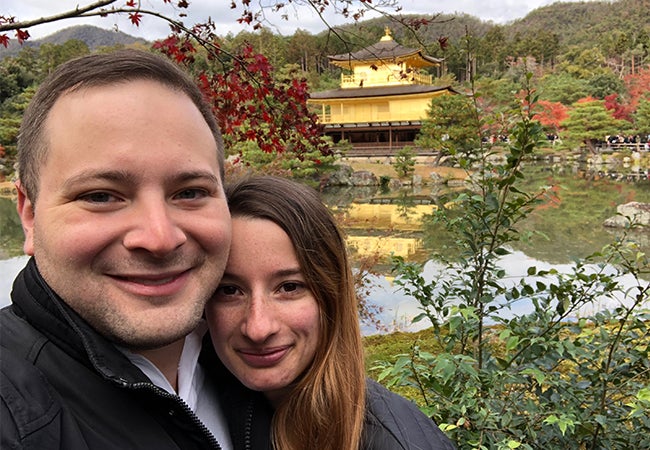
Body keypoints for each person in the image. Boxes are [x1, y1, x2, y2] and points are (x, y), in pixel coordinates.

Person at [0, 49, 233, 449]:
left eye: (190, 192)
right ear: (30, 215)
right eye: (101, 196)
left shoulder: (264, 354)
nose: (159, 238)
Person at [204, 175, 456, 450]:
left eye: (289, 287)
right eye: (229, 290)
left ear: (331, 295)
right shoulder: (194, 398)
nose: (258, 328)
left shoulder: (394, 442)